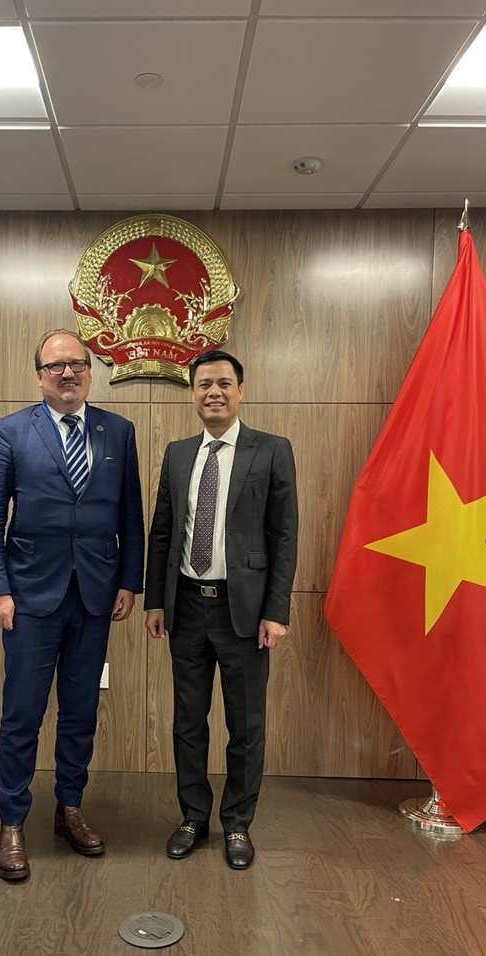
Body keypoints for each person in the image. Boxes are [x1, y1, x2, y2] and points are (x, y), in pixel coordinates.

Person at [0, 329, 144, 882]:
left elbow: (130, 517)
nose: (66, 374)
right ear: (39, 376)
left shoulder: (118, 430)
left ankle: (69, 807)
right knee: (22, 713)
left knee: (80, 712)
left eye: (76, 364)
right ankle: (12, 822)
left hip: (95, 597)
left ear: (90, 371)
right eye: (55, 367)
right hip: (28, 599)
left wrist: (129, 582)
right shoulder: (11, 432)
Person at [144, 350, 298, 870]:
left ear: (240, 391)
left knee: (246, 726)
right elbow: (162, 532)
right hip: (187, 607)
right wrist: (156, 601)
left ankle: (237, 824)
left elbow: (284, 536)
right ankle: (192, 817)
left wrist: (276, 611)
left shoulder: (272, 450)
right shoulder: (178, 452)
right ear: (192, 393)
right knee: (188, 722)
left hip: (246, 615)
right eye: (204, 383)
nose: (214, 391)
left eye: (224, 383)